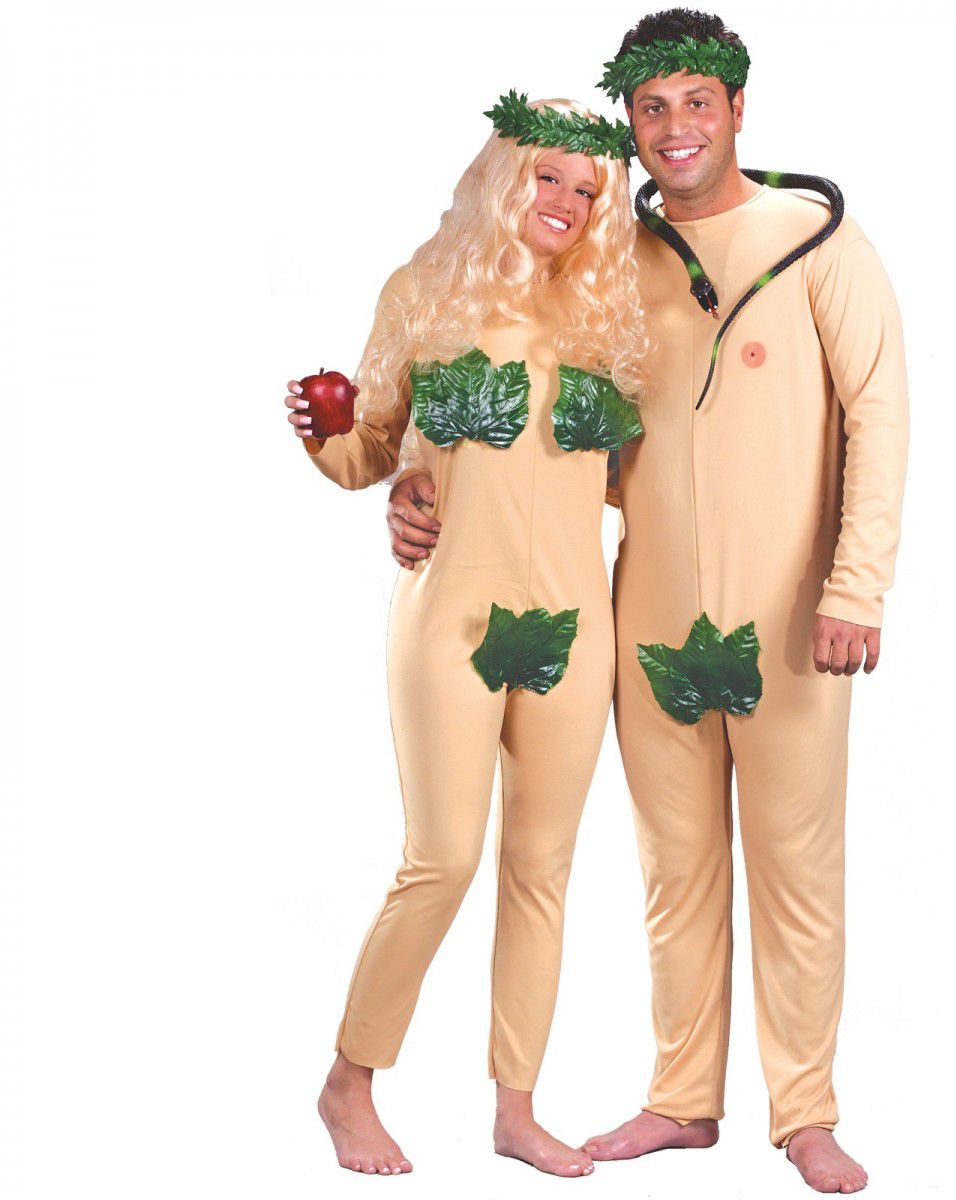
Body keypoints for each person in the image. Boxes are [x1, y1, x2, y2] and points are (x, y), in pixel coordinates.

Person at [388, 11, 909, 1195]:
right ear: (631, 122)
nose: (676, 128)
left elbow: (879, 415)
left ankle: (805, 1112)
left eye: (697, 102)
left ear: (738, 108)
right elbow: (555, 427)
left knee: (795, 860)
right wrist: (424, 488)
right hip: (648, 614)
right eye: (652, 108)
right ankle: (682, 1100)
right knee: (674, 864)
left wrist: (857, 585)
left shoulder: (817, 240)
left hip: (794, 616)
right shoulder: (611, 262)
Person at [285, 93, 647, 1178]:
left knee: (542, 868)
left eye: (588, 190)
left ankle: (516, 1112)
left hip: (574, 629)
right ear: (505, 177)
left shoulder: (609, 316)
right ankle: (349, 1082)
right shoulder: (426, 292)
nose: (567, 201)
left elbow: (632, 481)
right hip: (451, 612)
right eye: (549, 177)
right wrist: (334, 436)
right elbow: (370, 453)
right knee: (440, 859)